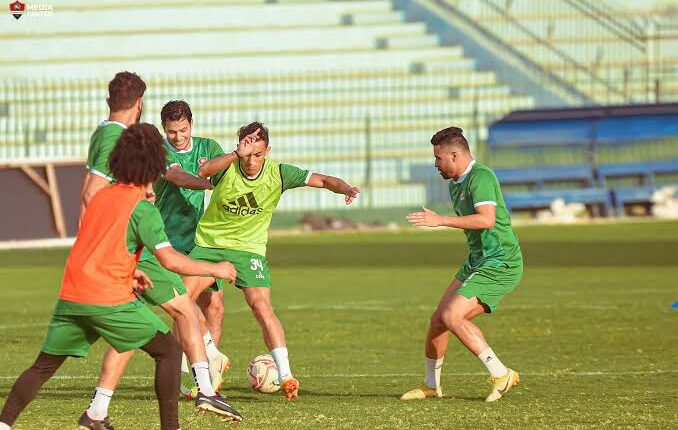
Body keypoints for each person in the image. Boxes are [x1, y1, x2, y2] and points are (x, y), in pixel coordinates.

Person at [0, 124, 242, 430]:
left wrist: (131, 269)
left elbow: (97, 246)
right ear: (155, 167)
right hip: (108, 300)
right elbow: (170, 260)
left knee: (42, 367)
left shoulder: (100, 197)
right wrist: (216, 268)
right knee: (169, 351)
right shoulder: (143, 209)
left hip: (72, 296)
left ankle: (6, 423)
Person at [183, 121, 360, 400]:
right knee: (182, 300)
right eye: (247, 153)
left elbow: (324, 180)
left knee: (261, 306)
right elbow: (202, 172)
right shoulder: (227, 166)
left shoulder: (279, 173)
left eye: (258, 154)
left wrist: (346, 188)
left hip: (249, 250)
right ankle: (211, 359)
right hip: (209, 246)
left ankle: (286, 375)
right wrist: (235, 154)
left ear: (267, 151)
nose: (251, 160)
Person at [401, 126, 523, 402]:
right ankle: (431, 385)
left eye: (438, 158)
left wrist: (440, 220)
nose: (435, 164)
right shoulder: (456, 183)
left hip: (500, 261)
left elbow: (486, 220)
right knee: (438, 320)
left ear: (454, 155)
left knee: (452, 316)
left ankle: (501, 374)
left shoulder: (481, 177)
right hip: (478, 260)